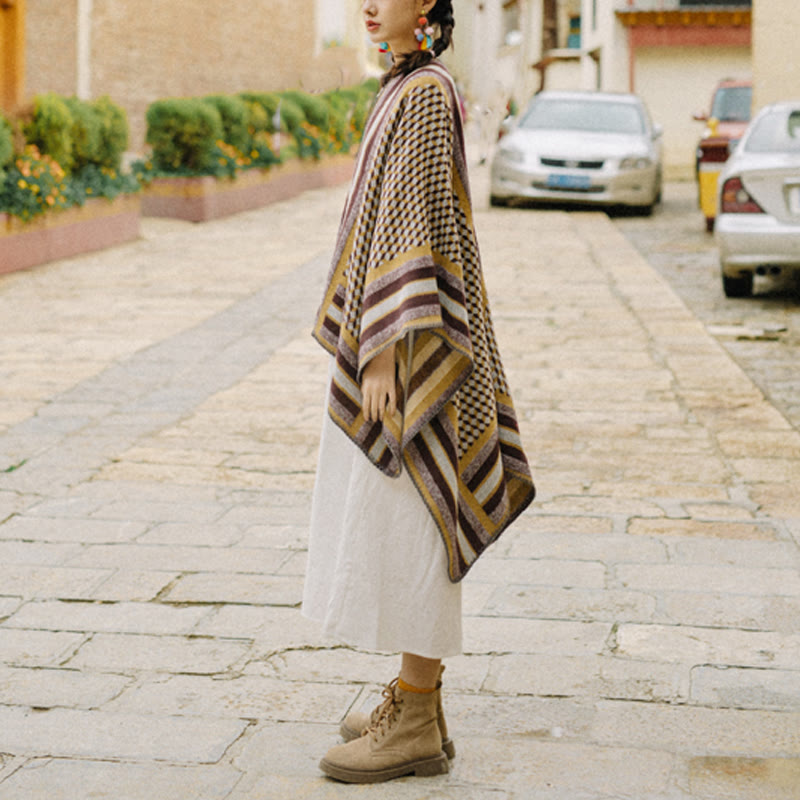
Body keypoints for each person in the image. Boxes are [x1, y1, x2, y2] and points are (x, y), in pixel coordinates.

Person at [302, 0, 535, 784]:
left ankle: (417, 706)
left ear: (428, 4)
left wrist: (382, 348)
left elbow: (416, 225)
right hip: (399, 336)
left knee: (414, 521)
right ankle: (418, 704)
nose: (368, 3)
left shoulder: (427, 91)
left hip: (408, 346)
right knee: (396, 519)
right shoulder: (404, 85)